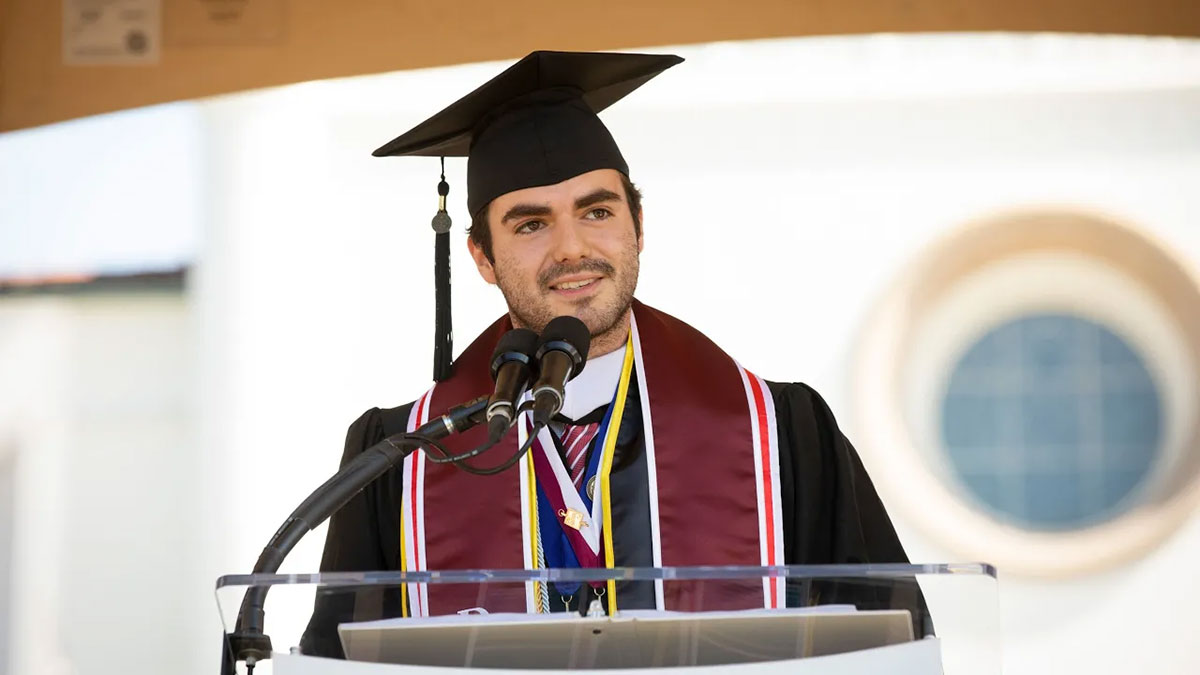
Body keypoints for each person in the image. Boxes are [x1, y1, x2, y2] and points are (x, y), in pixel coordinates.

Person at [301, 50, 923, 658]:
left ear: (639, 227)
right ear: (483, 258)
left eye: (597, 211)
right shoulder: (402, 460)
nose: (572, 249)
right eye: (531, 224)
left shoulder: (782, 437)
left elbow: (888, 652)